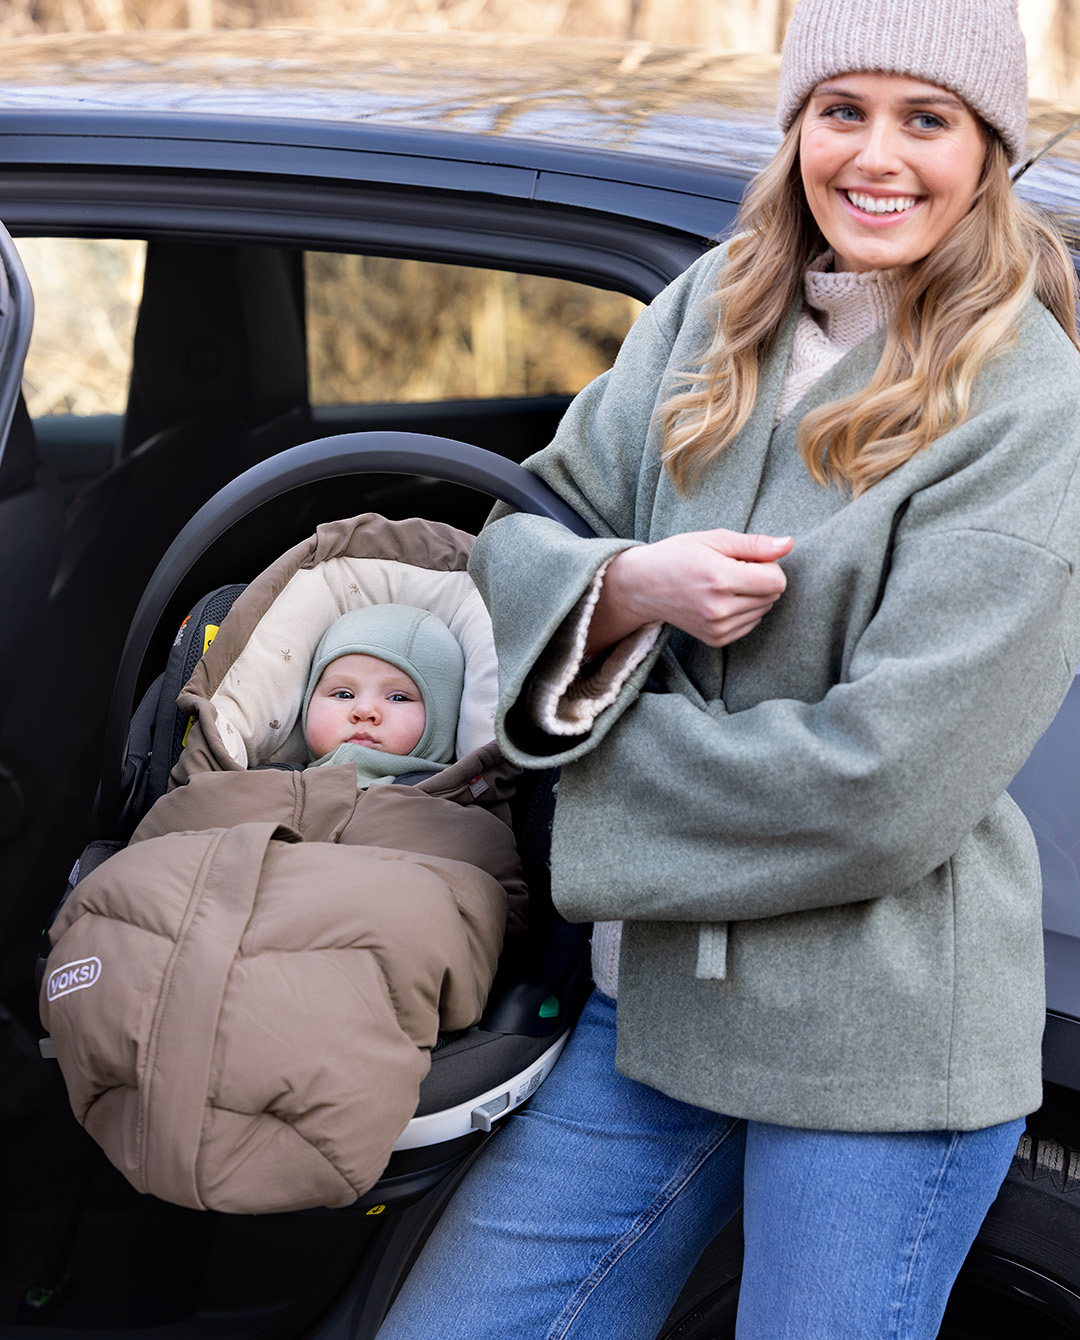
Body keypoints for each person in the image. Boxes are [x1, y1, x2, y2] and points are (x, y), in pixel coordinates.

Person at [375, 0, 1080, 1336]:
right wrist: (631, 584)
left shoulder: (1028, 403)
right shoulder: (716, 306)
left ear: (988, 148)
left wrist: (590, 777)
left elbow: (884, 786)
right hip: (658, 1004)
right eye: (842, 110)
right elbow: (526, 531)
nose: (876, 156)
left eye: (927, 119)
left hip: (879, 1032)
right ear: (799, 126)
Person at [303, 602, 467, 787]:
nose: (364, 711)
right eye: (343, 695)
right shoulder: (279, 779)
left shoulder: (448, 795)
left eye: (398, 697)